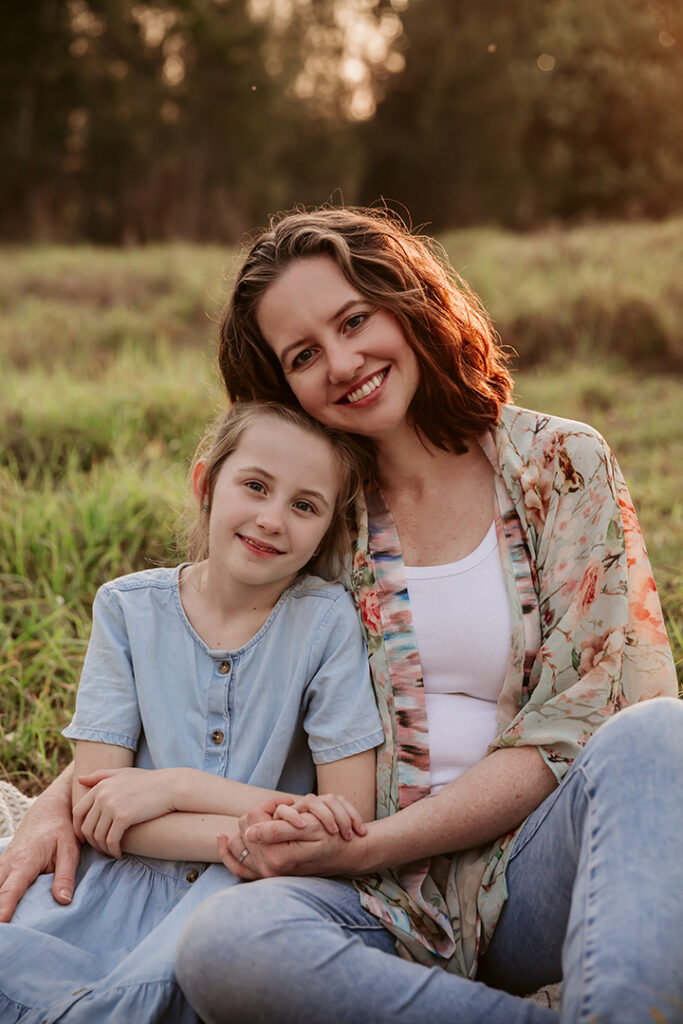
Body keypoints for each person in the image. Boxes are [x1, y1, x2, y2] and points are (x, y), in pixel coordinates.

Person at [1, 207, 680, 1024]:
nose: (344, 362)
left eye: (354, 319)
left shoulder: (559, 465)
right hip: (363, 902)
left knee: (657, 735)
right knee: (224, 944)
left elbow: (590, 711)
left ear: (408, 301)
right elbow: (200, 658)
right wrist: (57, 800)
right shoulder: (314, 516)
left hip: (536, 872)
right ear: (280, 385)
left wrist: (370, 842)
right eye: (303, 355)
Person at [0, 400, 384, 1023]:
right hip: (118, 880)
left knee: (147, 997)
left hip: (243, 892)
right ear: (206, 484)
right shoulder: (127, 609)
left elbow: (348, 816)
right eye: (255, 486)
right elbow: (99, 809)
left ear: (327, 529)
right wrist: (261, 821)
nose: (271, 519)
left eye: (304, 505)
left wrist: (173, 786)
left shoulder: (328, 621)